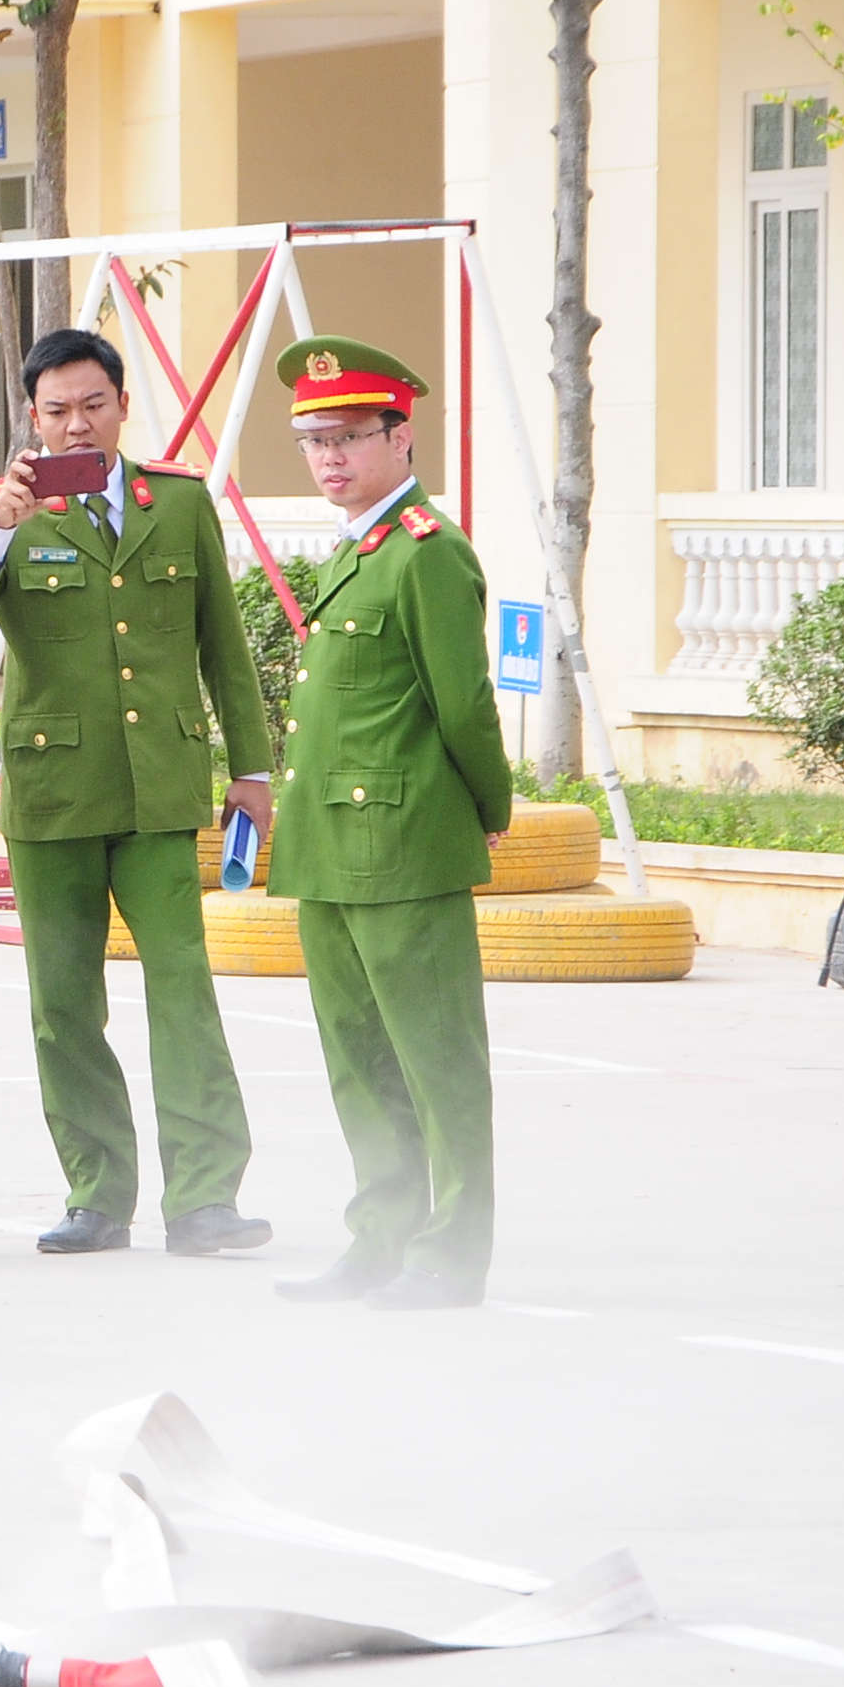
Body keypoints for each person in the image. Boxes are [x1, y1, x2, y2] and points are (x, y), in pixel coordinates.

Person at [0, 330, 278, 1259]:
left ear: (122, 406)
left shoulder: (180, 501)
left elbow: (224, 646)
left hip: (161, 789)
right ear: (32, 420)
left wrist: (252, 768)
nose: (74, 422)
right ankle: (96, 1193)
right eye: (55, 410)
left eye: (91, 404)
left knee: (182, 990)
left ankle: (206, 1196)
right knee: (62, 1002)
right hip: (54, 790)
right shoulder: (0, 508)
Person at [268, 341, 513, 1308]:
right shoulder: (358, 548)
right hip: (329, 850)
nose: (329, 457)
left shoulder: (427, 552)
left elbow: (465, 706)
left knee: (437, 1060)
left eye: (348, 437)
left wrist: (488, 810)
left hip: (405, 848)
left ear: (400, 436)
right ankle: (380, 1237)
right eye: (313, 441)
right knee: (361, 1065)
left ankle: (452, 1253)